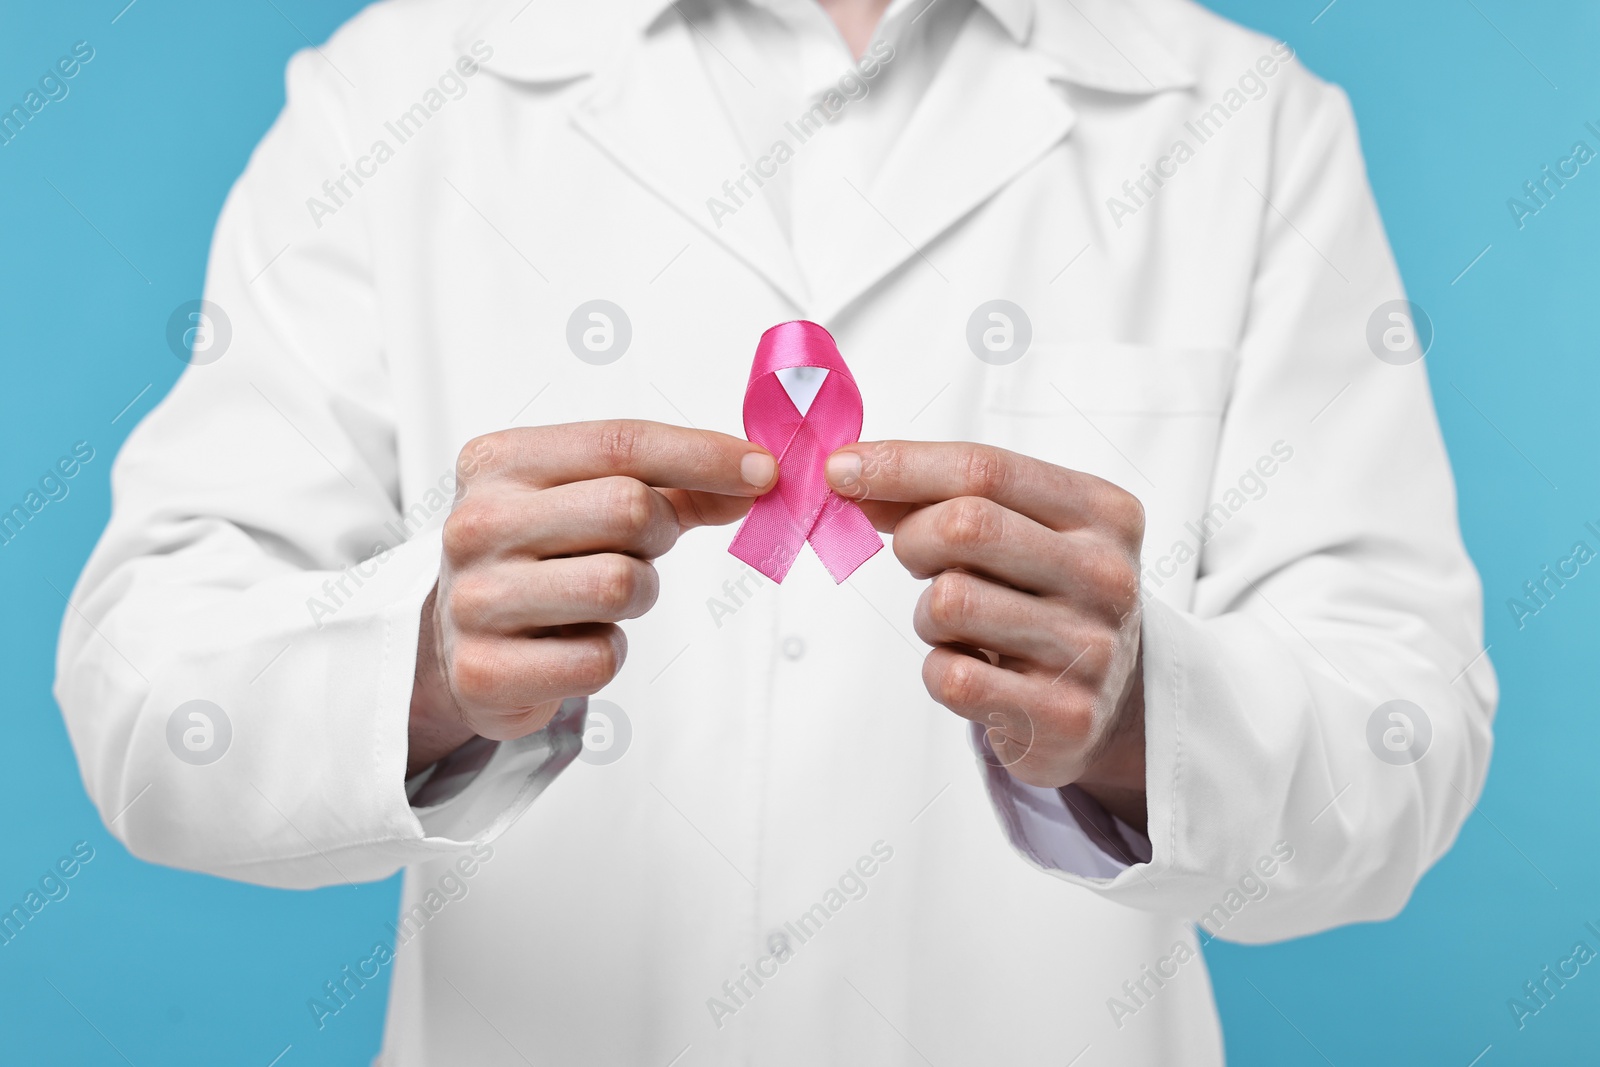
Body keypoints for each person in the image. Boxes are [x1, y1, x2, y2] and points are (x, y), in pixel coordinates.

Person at [55, 0, 1496, 1062]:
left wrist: (1145, 716)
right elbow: (147, 697)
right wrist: (423, 666)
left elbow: (1404, 736)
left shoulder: (1240, 124)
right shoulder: (399, 91)